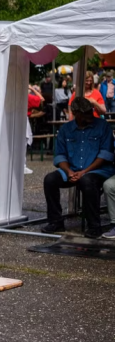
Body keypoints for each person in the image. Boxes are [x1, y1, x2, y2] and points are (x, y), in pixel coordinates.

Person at [45, 98, 114, 239]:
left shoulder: (102, 126)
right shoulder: (66, 130)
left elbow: (105, 155)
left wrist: (84, 172)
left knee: (87, 181)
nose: (90, 115)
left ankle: (94, 225)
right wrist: (69, 172)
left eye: (91, 112)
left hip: (96, 170)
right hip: (72, 169)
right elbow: (60, 156)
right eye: (86, 113)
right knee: (50, 180)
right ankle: (56, 221)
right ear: (75, 113)